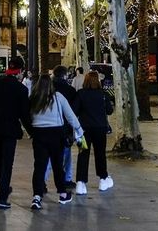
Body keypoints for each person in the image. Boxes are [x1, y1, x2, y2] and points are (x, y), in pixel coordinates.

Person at [0, 56, 31, 209]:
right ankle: (2, 196)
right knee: (7, 163)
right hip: (10, 130)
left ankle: (3, 187)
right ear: (20, 71)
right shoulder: (21, 89)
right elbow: (24, 114)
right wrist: (31, 131)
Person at [28, 74, 84, 209]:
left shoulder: (33, 99)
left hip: (39, 134)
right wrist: (79, 131)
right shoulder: (58, 97)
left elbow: (27, 116)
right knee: (58, 165)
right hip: (56, 134)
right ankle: (63, 194)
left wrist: (31, 130)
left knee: (39, 167)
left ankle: (37, 196)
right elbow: (70, 116)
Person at [73, 70, 114, 194]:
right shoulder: (103, 94)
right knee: (100, 153)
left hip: (83, 130)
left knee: (82, 154)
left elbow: (74, 110)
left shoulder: (80, 94)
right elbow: (109, 111)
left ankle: (80, 183)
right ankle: (103, 179)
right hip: (100, 129)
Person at [51, 66, 78, 189]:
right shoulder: (70, 90)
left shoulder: (48, 89)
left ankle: (43, 181)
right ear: (65, 75)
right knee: (66, 154)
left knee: (47, 157)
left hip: (50, 126)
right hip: (65, 127)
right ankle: (66, 179)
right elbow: (74, 111)